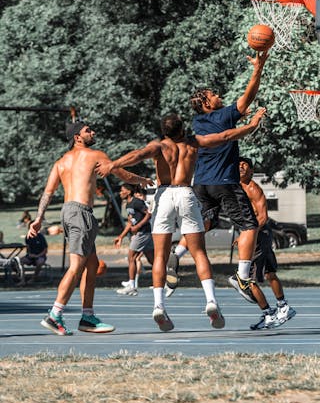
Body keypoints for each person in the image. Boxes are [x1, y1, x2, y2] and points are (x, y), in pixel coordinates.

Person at [97, 107, 266, 331]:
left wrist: (114, 164)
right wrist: (252, 124)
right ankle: (211, 301)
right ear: (183, 128)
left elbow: (137, 155)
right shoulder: (192, 143)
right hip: (186, 193)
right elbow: (225, 136)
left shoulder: (159, 146)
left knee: (160, 254)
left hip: (164, 195)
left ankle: (159, 305)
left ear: (163, 131)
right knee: (198, 252)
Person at [30, 119, 150, 336]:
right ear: (77, 137)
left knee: (91, 264)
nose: (93, 132)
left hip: (68, 212)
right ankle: (54, 315)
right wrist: (141, 180)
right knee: (76, 267)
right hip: (80, 213)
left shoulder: (61, 162)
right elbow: (121, 172)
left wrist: (39, 218)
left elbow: (48, 193)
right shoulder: (95, 155)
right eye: (88, 131)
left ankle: (87, 317)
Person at [190, 49, 269, 303]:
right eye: (213, 95)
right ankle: (242, 276)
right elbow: (247, 99)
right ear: (205, 103)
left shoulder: (197, 123)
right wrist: (258, 68)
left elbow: (227, 124)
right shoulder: (222, 116)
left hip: (201, 184)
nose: (218, 95)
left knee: (205, 224)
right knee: (249, 225)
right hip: (223, 182)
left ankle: (177, 254)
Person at [238, 157, 296, 330]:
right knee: (270, 273)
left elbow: (262, 217)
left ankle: (268, 314)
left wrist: (248, 236)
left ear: (251, 171)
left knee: (248, 280)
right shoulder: (236, 187)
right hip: (260, 234)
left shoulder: (253, 189)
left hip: (259, 235)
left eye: (244, 165)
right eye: (238, 165)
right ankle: (283, 306)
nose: (240, 167)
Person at [114, 183, 154, 296]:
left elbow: (148, 214)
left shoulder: (137, 202)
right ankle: (165, 279)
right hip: (143, 233)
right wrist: (121, 236)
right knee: (152, 260)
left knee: (131, 257)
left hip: (142, 233)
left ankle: (131, 286)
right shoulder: (128, 205)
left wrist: (138, 226)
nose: (120, 192)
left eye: (122, 190)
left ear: (128, 191)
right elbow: (130, 222)